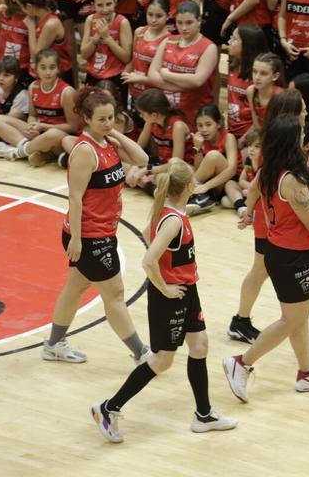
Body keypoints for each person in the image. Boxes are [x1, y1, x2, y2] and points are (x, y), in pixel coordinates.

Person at [91, 159, 237, 443]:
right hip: (171, 296)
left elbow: (147, 235)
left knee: (200, 344)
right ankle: (108, 408)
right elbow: (148, 261)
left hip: (186, 290)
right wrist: (166, 287)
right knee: (162, 360)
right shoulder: (173, 221)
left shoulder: (170, 212)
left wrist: (172, 275)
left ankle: (204, 415)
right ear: (188, 187)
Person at [222, 115, 309, 403]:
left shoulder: (269, 169)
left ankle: (306, 372)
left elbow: (254, 190)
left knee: (299, 317)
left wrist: (249, 212)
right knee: (291, 320)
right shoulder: (292, 179)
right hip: (291, 256)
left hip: (279, 251)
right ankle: (241, 362)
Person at [43, 86, 150, 363]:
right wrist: (77, 240)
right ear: (86, 119)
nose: (108, 123)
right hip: (89, 236)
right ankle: (141, 352)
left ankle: (53, 344)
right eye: (102, 119)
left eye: (111, 118)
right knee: (114, 294)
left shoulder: (107, 142)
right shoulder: (84, 151)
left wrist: (114, 134)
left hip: (103, 231)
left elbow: (142, 159)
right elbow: (75, 199)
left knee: (76, 287)